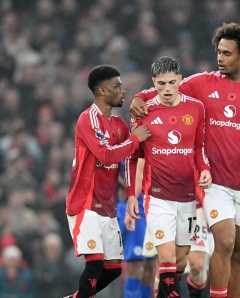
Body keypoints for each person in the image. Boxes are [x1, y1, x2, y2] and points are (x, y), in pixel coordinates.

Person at [130, 22, 240, 298]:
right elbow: (167, 88)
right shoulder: (203, 83)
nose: (219, 58)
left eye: (227, 53)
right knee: (225, 242)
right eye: (218, 52)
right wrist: (139, 97)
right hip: (214, 182)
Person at [125, 56, 212, 298]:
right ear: (154, 82)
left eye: (171, 82)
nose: (166, 89)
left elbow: (198, 149)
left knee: (181, 264)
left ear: (180, 81)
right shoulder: (143, 111)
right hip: (157, 198)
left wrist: (204, 170)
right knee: (166, 257)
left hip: (189, 200)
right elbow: (132, 157)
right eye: (161, 84)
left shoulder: (196, 108)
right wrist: (132, 195)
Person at [64, 65, 152, 298]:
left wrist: (131, 194)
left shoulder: (120, 126)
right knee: (94, 264)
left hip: (108, 207)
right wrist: (134, 140)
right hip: (86, 203)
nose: (123, 90)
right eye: (117, 86)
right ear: (102, 91)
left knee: (113, 269)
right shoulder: (88, 119)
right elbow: (105, 155)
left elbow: (128, 162)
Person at [119, 158, 157, 298]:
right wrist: (125, 187)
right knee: (136, 266)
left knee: (149, 269)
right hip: (135, 208)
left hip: (154, 206)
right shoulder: (122, 138)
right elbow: (104, 163)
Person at [186, 199, 211, 298]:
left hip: (193, 206)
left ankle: (194, 295)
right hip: (163, 205)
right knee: (166, 263)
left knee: (197, 267)